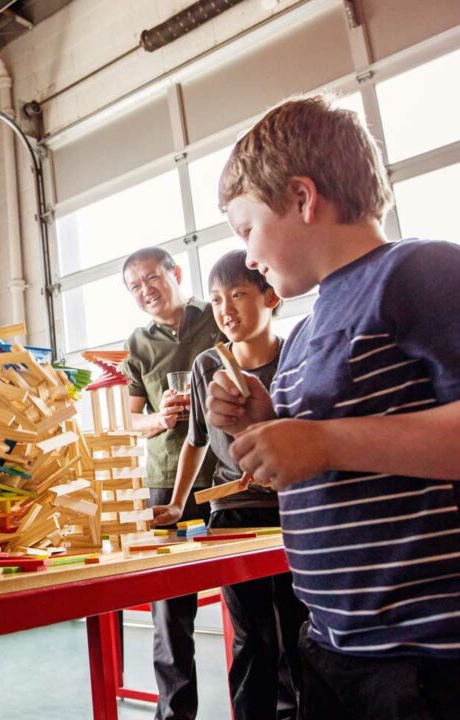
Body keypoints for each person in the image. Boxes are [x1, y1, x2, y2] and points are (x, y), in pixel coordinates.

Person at [207, 94, 460, 720]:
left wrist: (323, 442)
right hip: (333, 646)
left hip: (427, 656)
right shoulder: (305, 331)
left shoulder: (418, 271)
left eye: (247, 230)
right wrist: (264, 424)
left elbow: (331, 444)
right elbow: (319, 457)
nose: (250, 257)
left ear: (302, 198)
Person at [152, 250, 306, 719]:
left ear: (271, 296)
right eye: (217, 299)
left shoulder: (297, 357)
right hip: (232, 515)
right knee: (253, 636)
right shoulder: (206, 365)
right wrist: (177, 503)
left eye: (238, 295)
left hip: (292, 514)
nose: (225, 310)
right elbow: (195, 441)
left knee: (299, 631)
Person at [120, 247, 221, 720]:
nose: (146, 291)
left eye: (152, 278)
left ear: (175, 273)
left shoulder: (215, 316)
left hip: (226, 475)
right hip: (164, 484)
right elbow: (131, 420)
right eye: (135, 287)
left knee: (251, 605)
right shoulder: (138, 343)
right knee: (171, 615)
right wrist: (159, 419)